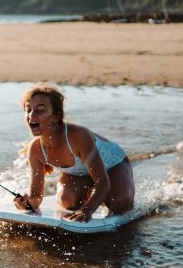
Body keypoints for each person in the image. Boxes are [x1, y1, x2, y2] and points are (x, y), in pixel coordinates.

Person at [13, 84, 134, 221]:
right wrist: (26, 203)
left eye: (40, 110)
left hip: (112, 165)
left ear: (56, 116)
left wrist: (86, 211)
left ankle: (101, 195)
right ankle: (91, 192)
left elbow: (103, 181)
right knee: (68, 202)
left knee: (118, 203)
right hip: (80, 173)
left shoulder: (78, 136)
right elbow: (36, 196)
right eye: (28, 109)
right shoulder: (35, 149)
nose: (31, 115)